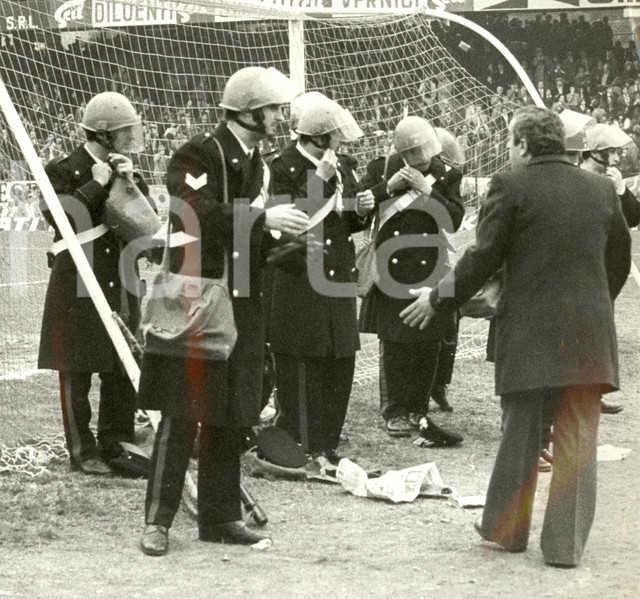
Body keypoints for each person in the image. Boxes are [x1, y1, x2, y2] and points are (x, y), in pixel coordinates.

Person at [401, 106, 631, 567]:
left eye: (510, 142)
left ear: (524, 144)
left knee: (521, 431)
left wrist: (439, 298)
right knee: (578, 437)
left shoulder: (510, 184)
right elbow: (619, 259)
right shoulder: (603, 188)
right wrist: (593, 302)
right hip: (588, 334)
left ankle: (506, 531)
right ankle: (564, 548)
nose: (509, 150)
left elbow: (482, 256)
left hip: (530, 332)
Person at [138, 67, 311, 556]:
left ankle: (219, 518)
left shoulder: (258, 161)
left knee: (231, 414)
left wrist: (286, 249)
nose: (280, 116)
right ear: (249, 110)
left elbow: (244, 240)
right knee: (180, 412)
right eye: (275, 108)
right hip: (197, 300)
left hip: (241, 304)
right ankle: (158, 521)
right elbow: (194, 213)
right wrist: (264, 218)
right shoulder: (196, 153)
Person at [37, 92, 151, 477]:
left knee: (121, 364)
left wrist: (130, 181)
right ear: (103, 135)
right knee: (76, 368)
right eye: (122, 131)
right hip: (77, 281)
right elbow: (60, 218)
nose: (128, 137)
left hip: (120, 276)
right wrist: (97, 183)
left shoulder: (124, 166)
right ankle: (81, 448)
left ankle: (116, 442)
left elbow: (144, 220)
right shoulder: (62, 168)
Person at [266, 92, 374, 469]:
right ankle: (304, 442)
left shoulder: (343, 165)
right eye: (334, 137)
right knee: (304, 362)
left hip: (338, 273)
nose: (340, 144)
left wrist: (362, 211)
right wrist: (319, 181)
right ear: (318, 138)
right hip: (300, 275)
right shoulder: (280, 167)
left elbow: (343, 220)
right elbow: (285, 224)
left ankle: (328, 442)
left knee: (340, 358)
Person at [358, 115, 464, 444]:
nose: (424, 158)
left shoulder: (447, 173)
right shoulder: (382, 168)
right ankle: (393, 410)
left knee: (428, 341)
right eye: (417, 153)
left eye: (427, 151)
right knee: (394, 341)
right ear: (404, 151)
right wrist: (384, 189)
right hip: (391, 266)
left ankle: (419, 408)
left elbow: (454, 221)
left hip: (428, 266)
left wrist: (428, 190)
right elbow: (358, 207)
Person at [580, 122, 639, 415]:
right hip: (580, 265)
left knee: (600, 332)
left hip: (604, 267)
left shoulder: (612, 182)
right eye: (612, 152)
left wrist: (621, 189)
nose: (617, 158)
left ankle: (594, 394)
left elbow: (634, 218)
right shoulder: (578, 180)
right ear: (595, 153)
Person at [429, 127, 466, 413]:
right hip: (396, 256)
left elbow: (453, 220)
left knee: (449, 317)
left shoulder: (449, 177)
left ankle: (439, 383)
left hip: (435, 253)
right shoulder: (391, 167)